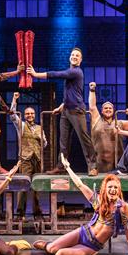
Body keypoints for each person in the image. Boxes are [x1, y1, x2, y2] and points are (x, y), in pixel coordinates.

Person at [33, 154, 128, 255]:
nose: (113, 190)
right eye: (110, 187)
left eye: (115, 188)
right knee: (51, 249)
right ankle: (47, 245)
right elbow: (80, 185)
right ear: (105, 189)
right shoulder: (99, 201)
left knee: (60, 254)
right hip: (83, 233)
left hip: (92, 246)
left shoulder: (123, 207)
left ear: (119, 190)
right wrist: (67, 168)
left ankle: (72, 248)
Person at [28, 48, 98, 176]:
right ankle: (61, 166)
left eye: (77, 55)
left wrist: (36, 75)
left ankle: (93, 166)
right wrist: (61, 107)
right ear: (69, 57)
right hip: (66, 111)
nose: (74, 57)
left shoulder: (76, 72)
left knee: (84, 139)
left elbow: (57, 74)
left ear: (80, 60)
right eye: (73, 55)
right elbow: (71, 94)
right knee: (63, 141)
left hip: (77, 110)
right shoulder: (70, 73)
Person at [8, 92, 47, 217]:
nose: (30, 115)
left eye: (32, 113)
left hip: (38, 158)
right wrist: (14, 100)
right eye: (27, 114)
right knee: (23, 185)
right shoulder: (22, 125)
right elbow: (12, 115)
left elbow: (45, 144)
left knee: (37, 186)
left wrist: (41, 139)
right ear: (24, 116)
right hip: (25, 158)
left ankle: (37, 212)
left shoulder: (40, 128)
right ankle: (20, 213)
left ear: (34, 115)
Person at [87, 82, 128, 173]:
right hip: (99, 164)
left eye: (110, 108)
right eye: (106, 108)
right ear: (102, 111)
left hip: (116, 165)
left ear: (113, 111)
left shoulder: (119, 123)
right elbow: (92, 107)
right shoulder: (96, 121)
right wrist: (92, 90)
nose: (108, 109)